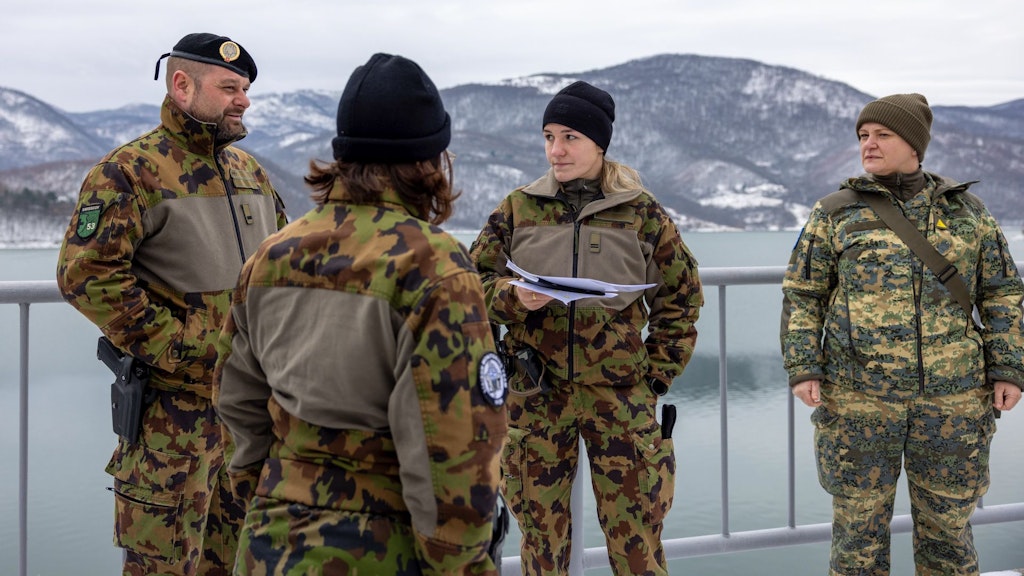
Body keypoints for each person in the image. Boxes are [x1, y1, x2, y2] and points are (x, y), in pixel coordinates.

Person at [213, 52, 509, 575]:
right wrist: (464, 563)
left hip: (269, 543)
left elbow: (237, 401)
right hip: (383, 549)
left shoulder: (272, 255)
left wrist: (268, 491)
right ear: (429, 159)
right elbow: (452, 450)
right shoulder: (434, 267)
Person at [56, 32, 288, 576]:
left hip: (249, 421)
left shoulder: (249, 174)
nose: (244, 100)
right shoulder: (130, 173)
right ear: (183, 86)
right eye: (230, 87)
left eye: (246, 89)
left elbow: (280, 270)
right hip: (172, 426)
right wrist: (189, 349)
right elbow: (85, 276)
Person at [781, 93, 1024, 576]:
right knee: (857, 538)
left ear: (914, 143)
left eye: (882, 135)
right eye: (863, 135)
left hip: (952, 402)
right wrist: (803, 366)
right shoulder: (836, 213)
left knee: (950, 534)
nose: (868, 144)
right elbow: (803, 295)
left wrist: (1009, 368)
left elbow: (1002, 294)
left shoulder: (968, 213)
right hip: (858, 401)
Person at [470, 80, 703, 575]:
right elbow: (473, 285)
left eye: (570, 137)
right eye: (549, 136)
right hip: (536, 394)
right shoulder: (519, 207)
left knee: (637, 540)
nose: (556, 149)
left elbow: (681, 298)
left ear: (600, 144)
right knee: (540, 542)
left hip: (620, 398)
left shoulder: (641, 212)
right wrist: (513, 296)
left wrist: (654, 376)